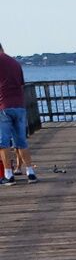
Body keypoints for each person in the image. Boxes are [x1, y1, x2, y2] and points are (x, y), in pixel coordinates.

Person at [0, 44, 28, 185]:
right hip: (19, 106)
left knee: (3, 143)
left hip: (3, 106)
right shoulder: (15, 62)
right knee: (21, 142)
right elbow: (22, 85)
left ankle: (8, 175)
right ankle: (31, 173)